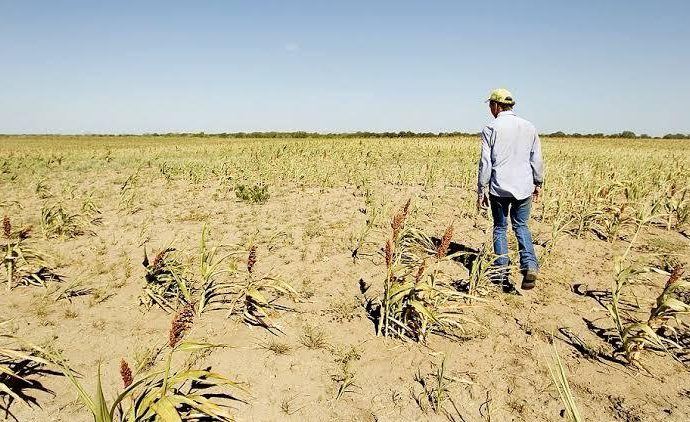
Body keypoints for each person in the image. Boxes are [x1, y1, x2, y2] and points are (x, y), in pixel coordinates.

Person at [477, 88, 543, 290]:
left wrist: (481, 188)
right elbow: (536, 158)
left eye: (490, 105)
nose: (490, 109)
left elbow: (485, 163)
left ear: (496, 106)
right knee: (521, 226)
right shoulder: (529, 126)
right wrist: (538, 182)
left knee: (499, 227)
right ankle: (529, 265)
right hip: (523, 187)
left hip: (499, 188)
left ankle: (501, 271)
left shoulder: (491, 128)